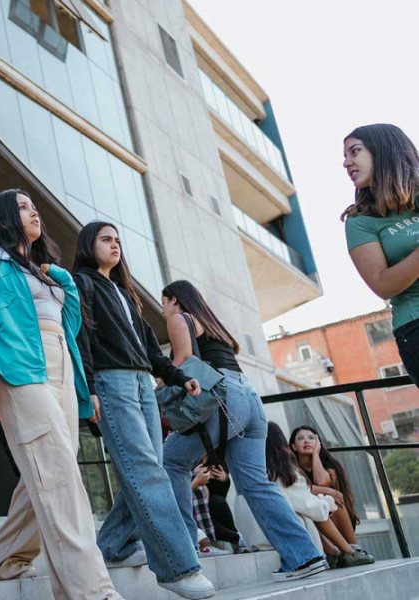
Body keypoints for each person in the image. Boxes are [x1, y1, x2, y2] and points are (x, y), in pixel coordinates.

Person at [0, 189, 120, 600]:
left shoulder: (47, 271)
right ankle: (92, 590)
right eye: (24, 206)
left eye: (35, 207)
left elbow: (70, 327)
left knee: (44, 474)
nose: (34, 212)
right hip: (19, 370)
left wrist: (61, 279)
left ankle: (2, 559)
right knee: (60, 475)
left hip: (62, 366)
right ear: (6, 216)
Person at [71, 222, 213, 599]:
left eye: (118, 240)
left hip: (141, 385)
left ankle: (112, 546)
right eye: (106, 239)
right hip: (110, 384)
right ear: (89, 245)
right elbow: (79, 338)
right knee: (146, 471)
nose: (115, 246)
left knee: (147, 469)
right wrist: (87, 390)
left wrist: (180, 378)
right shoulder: (81, 283)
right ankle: (176, 567)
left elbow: (150, 350)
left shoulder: (124, 292)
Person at [160, 280, 329, 582]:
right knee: (256, 485)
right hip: (249, 401)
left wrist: (157, 386)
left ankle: (185, 548)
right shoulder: (212, 323)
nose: (163, 310)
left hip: (222, 401)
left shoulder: (178, 317)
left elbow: (183, 359)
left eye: (163, 303)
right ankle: (305, 557)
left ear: (174, 299)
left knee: (170, 461)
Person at [342, 124, 419, 385]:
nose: (346, 163)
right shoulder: (360, 220)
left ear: (382, 150)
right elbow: (383, 284)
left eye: (354, 152)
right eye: (346, 155)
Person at [268, 423, 374, 568]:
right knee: (315, 507)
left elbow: (322, 482)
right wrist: (328, 492)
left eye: (311, 438)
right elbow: (305, 492)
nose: (307, 441)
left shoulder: (329, 464)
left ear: (318, 443)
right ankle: (337, 553)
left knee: (332, 504)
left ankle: (353, 550)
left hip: (337, 516)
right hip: (318, 514)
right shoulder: (288, 468)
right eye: (301, 438)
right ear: (292, 446)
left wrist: (316, 455)